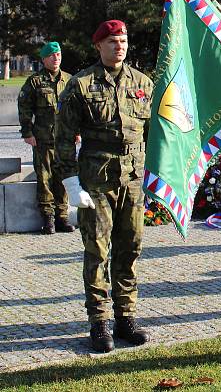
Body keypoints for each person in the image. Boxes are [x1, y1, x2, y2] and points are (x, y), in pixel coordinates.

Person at [55, 20, 152, 353]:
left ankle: (126, 318)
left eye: (123, 40)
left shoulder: (143, 83)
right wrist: (70, 183)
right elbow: (63, 138)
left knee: (131, 248)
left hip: (134, 179)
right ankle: (99, 323)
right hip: (97, 179)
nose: (119, 46)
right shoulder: (81, 85)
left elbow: (155, 133)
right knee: (97, 251)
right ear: (98, 46)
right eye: (112, 41)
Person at [17, 41, 74, 235]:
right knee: (45, 179)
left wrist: (78, 131)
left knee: (63, 178)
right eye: (52, 56)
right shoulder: (35, 82)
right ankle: (48, 218)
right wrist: (28, 133)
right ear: (44, 59)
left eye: (58, 55)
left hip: (65, 140)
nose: (56, 58)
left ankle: (62, 217)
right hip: (43, 139)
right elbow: (24, 108)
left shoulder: (69, 80)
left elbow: (76, 109)